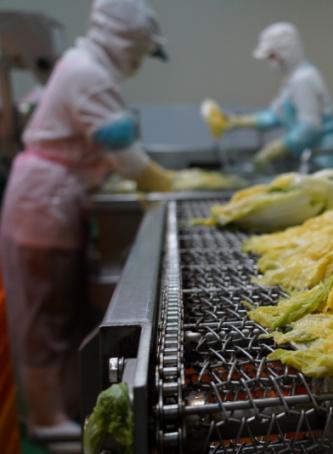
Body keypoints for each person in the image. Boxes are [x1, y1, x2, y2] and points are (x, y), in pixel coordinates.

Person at [0, 0, 174, 446]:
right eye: (141, 50)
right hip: (43, 208)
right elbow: (128, 157)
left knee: (63, 313)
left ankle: (64, 406)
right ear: (126, 41)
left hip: (55, 204)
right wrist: (167, 185)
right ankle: (46, 420)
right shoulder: (87, 73)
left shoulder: (85, 66)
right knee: (43, 318)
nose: (139, 61)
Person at [202, 22, 333, 172]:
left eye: (272, 56)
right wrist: (237, 122)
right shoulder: (292, 80)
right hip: (311, 156)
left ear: (286, 53)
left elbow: (310, 127)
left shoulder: (304, 79)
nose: (271, 62)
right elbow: (276, 115)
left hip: (323, 159)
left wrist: (274, 150)